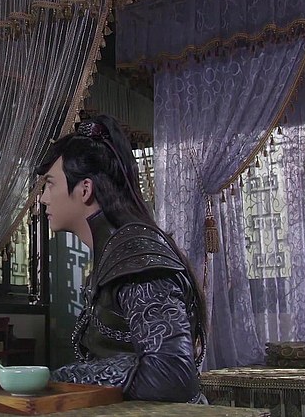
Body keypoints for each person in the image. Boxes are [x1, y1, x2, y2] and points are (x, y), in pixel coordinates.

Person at [37, 114, 206, 402]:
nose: (43, 198)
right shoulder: (116, 253)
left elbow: (171, 374)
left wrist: (66, 377)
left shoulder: (138, 259)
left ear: (85, 189)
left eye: (50, 184)